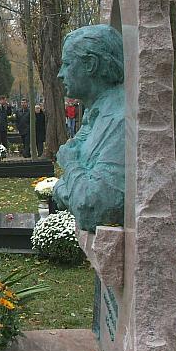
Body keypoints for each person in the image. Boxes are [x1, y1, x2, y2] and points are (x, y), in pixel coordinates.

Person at [52, 24, 125, 233]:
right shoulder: (95, 117)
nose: (60, 74)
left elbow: (92, 206)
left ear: (91, 64)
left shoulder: (119, 121)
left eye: (67, 64)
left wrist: (71, 166)